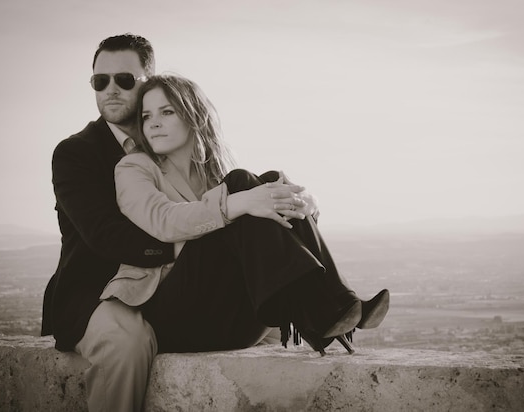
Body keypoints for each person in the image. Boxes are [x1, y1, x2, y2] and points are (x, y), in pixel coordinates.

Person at [41, 33, 324, 412]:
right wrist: (197, 239)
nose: (110, 90)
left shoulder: (170, 146)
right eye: (99, 81)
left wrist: (301, 198)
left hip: (178, 287)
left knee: (249, 183)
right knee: (127, 344)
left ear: (148, 82)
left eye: (124, 80)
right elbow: (105, 237)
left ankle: (328, 305)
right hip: (98, 291)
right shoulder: (76, 152)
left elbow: (227, 194)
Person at [104, 73, 390, 357]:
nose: (153, 123)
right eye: (146, 116)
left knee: (265, 181)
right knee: (243, 183)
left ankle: (335, 306)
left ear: (194, 116)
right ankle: (329, 308)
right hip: (175, 319)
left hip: (234, 319)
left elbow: (271, 232)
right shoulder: (133, 168)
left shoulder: (214, 172)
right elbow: (164, 222)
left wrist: (307, 204)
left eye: (166, 112)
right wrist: (237, 203)